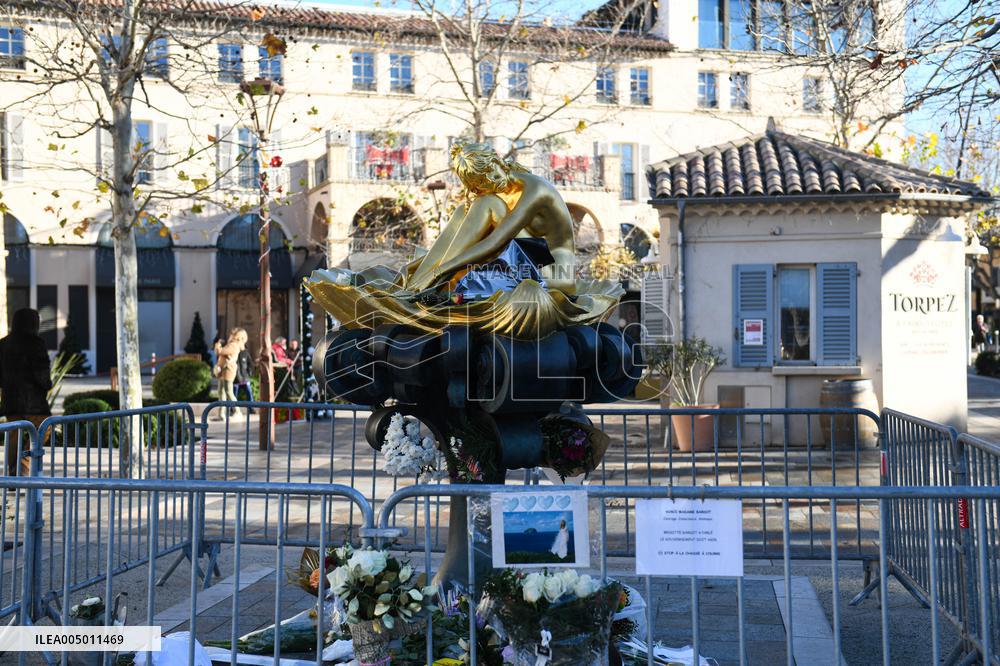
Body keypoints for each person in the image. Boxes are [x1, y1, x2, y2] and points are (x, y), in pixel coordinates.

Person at [0, 309, 53, 475]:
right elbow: (41, 371)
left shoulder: (3, 344)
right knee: (44, 429)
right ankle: (24, 465)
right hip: (34, 402)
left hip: (11, 400)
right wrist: (47, 384)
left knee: (13, 435)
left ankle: (12, 473)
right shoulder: (36, 343)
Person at [213, 328, 247, 418]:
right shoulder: (234, 345)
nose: (230, 335)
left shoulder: (233, 345)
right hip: (225, 370)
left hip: (228, 370)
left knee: (228, 392)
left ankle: (237, 411)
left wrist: (218, 344)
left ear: (236, 336)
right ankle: (221, 414)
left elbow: (219, 351)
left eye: (232, 334)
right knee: (222, 392)